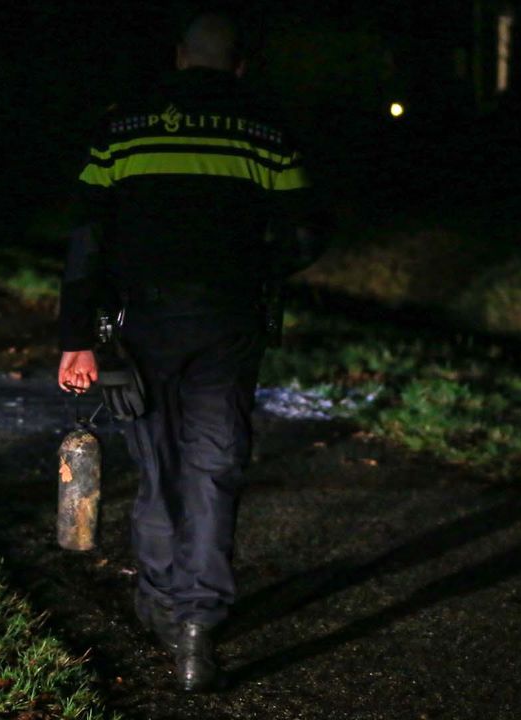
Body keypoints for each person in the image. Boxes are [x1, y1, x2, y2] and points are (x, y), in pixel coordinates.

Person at [56, 12, 319, 692]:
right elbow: (306, 232)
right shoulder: (266, 129)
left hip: (138, 327)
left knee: (157, 466)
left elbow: (86, 235)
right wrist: (258, 272)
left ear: (179, 58)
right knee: (215, 465)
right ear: (239, 67)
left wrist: (75, 337)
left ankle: (162, 604)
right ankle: (200, 624)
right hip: (227, 324)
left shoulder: (124, 126)